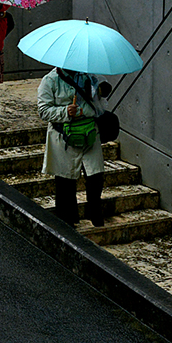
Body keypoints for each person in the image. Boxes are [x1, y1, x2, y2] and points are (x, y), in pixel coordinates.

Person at [37, 67, 111, 228]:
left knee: (95, 175)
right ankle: (67, 220)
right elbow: (43, 111)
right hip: (63, 134)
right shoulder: (50, 80)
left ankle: (94, 212)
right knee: (65, 179)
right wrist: (65, 111)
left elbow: (102, 94)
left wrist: (100, 89)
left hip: (89, 131)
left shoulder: (89, 76)